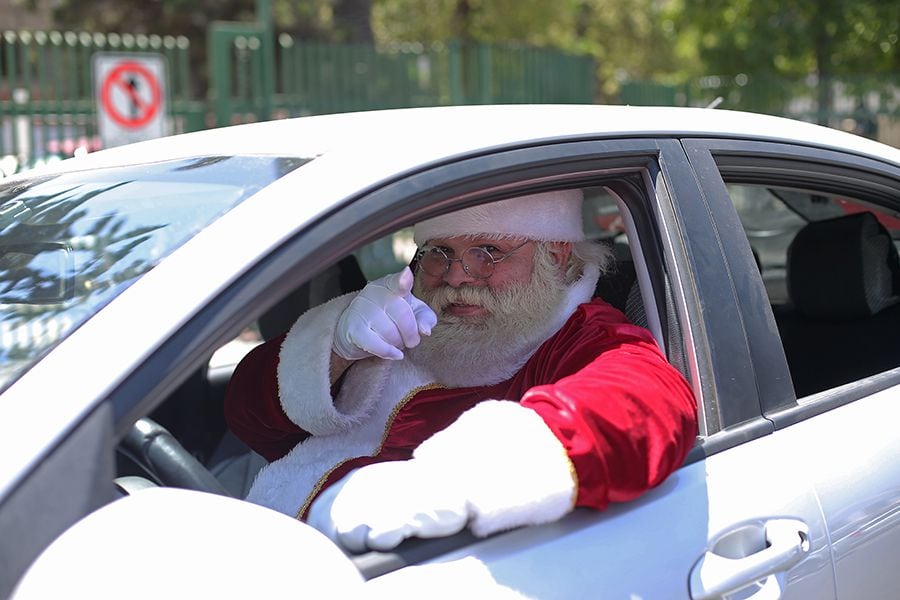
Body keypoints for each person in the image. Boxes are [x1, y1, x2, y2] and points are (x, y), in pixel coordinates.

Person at [224, 189, 697, 552]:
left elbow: (643, 403)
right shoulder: (400, 311)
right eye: (439, 252)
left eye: (487, 251)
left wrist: (456, 479)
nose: (455, 276)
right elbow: (249, 420)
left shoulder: (584, 336)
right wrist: (337, 349)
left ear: (554, 253)